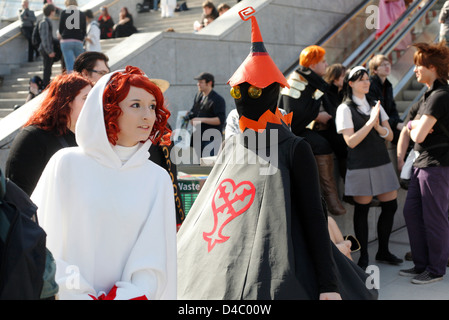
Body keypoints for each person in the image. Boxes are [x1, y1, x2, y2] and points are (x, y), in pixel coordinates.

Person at [177, 9, 377, 300]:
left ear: (273, 93)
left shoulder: (295, 148)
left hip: (284, 266)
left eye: (254, 93)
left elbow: (312, 216)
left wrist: (329, 285)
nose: (244, 99)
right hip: (226, 269)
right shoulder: (234, 144)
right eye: (237, 92)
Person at [30, 66, 177, 300]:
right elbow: (44, 241)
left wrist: (125, 296)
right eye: (136, 105)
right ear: (108, 110)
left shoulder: (157, 179)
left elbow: (155, 258)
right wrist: (76, 294)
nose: (148, 116)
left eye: (152, 106)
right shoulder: (67, 164)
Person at [335, 66, 402, 270]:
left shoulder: (376, 104)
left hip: (380, 161)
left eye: (367, 79)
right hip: (360, 164)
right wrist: (370, 122)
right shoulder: (344, 108)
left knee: (390, 206)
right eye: (361, 79)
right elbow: (351, 142)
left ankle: (383, 250)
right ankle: (363, 255)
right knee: (362, 210)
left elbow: (389, 136)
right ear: (351, 83)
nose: (366, 82)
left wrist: (377, 126)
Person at [399, 42, 449, 285]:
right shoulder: (430, 95)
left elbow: (417, 136)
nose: (415, 70)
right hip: (423, 163)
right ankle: (421, 265)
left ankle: (436, 269)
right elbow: (413, 129)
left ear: (432, 67)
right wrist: (413, 125)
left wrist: (413, 127)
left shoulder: (440, 95)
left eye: (419, 65)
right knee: (412, 212)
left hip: (437, 164)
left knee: (435, 217)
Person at [279, 45, 346, 216]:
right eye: (323, 62)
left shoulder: (310, 80)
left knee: (336, 139)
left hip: (303, 128)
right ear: (313, 64)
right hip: (290, 133)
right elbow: (293, 115)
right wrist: (317, 115)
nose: (326, 64)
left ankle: (342, 193)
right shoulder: (296, 81)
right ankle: (330, 198)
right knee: (321, 145)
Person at [6, 73, 92, 197]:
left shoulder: (87, 137)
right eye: (85, 98)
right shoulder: (33, 137)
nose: (92, 104)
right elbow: (19, 196)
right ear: (66, 101)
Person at [185, 72, 226, 157]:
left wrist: (200, 120)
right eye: (198, 82)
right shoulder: (198, 96)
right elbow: (195, 111)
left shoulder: (218, 99)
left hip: (211, 139)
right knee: (200, 167)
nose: (198, 84)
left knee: (209, 166)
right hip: (198, 138)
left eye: (201, 82)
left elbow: (220, 120)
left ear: (209, 83)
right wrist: (190, 114)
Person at [367, 54, 404, 144]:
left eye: (388, 64)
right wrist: (396, 124)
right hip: (376, 124)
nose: (387, 67)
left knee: (405, 131)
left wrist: (399, 122)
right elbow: (376, 111)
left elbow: (392, 108)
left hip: (388, 122)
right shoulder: (370, 85)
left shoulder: (388, 85)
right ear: (375, 70)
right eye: (383, 65)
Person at [321, 63, 348, 179]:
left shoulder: (343, 92)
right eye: (343, 76)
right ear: (334, 78)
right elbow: (332, 116)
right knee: (345, 149)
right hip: (332, 130)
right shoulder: (326, 92)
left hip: (341, 128)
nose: (346, 79)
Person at [58, 0, 86, 72]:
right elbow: (84, 29)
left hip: (66, 40)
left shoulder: (64, 13)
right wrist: (81, 39)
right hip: (78, 40)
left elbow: (60, 28)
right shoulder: (81, 14)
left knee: (69, 65)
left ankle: (71, 81)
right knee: (81, 64)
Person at [38, 3, 56, 89]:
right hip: (46, 50)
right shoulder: (44, 22)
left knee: (48, 69)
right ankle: (45, 86)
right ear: (51, 12)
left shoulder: (47, 22)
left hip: (47, 49)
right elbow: (44, 38)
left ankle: (47, 85)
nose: (54, 13)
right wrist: (49, 51)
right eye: (54, 11)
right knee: (47, 69)